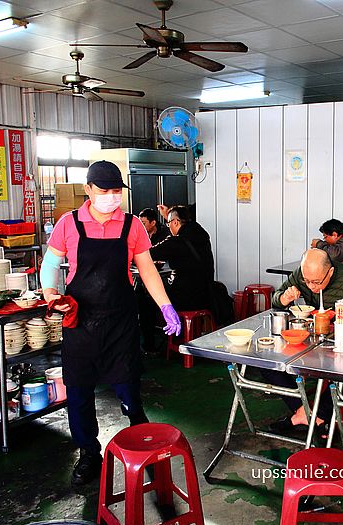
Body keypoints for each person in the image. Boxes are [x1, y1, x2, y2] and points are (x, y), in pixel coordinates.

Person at [41, 160, 182, 486]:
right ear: (88, 190)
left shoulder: (131, 225)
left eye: (116, 190)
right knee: (78, 393)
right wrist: (51, 295)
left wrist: (166, 306)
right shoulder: (69, 223)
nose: (111, 197)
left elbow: (146, 268)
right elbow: (50, 264)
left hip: (120, 322)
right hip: (79, 322)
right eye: (104, 190)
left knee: (129, 389)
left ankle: (144, 447)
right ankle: (89, 452)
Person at [261, 248, 343, 434]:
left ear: (331, 272)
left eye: (316, 282)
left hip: (338, 342)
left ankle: (319, 414)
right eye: (307, 281)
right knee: (266, 361)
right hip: (307, 337)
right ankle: (302, 410)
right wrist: (285, 297)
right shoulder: (302, 275)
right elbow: (276, 300)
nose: (310, 287)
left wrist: (339, 322)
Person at [149, 204, 214, 311]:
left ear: (175, 222)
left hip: (187, 297)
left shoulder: (177, 241)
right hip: (206, 292)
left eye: (168, 223)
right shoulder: (200, 232)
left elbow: (150, 254)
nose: (168, 226)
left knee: (152, 295)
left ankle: (159, 326)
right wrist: (168, 215)